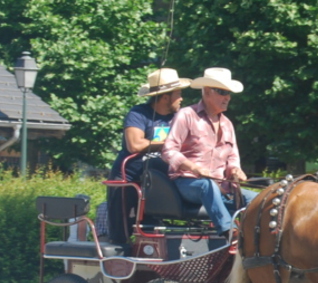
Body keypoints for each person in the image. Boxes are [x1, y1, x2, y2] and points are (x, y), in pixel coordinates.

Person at [162, 67, 256, 235]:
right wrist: (194, 167)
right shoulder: (186, 115)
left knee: (258, 199)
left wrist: (235, 170)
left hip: (222, 187)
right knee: (207, 185)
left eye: (228, 93)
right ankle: (229, 232)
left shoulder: (227, 124)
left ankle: (258, 239)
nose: (227, 97)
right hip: (187, 183)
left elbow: (233, 158)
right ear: (206, 91)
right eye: (222, 92)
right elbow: (168, 150)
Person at [106, 68, 190, 245]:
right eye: (178, 94)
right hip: (129, 179)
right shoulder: (138, 113)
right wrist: (168, 144)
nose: (182, 98)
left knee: (152, 227)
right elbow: (134, 145)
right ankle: (119, 255)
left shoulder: (179, 117)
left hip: (159, 181)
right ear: (165, 97)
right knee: (120, 230)